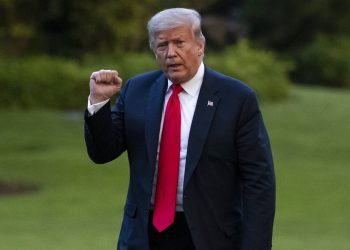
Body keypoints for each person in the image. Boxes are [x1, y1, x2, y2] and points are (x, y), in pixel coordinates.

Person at [84, 8, 275, 250]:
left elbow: (259, 182)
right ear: (154, 51)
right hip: (143, 236)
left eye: (179, 42)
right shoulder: (137, 90)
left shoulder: (236, 98)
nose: (171, 53)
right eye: (162, 45)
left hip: (210, 235)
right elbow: (102, 152)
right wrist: (98, 102)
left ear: (200, 46)